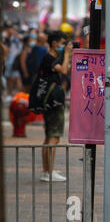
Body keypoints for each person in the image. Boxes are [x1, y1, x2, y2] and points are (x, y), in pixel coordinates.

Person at [38, 31, 72, 182]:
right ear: (54, 43)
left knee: (48, 137)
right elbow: (64, 70)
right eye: (62, 43)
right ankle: (49, 172)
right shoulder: (50, 58)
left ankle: (46, 171)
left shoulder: (50, 58)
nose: (63, 46)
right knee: (54, 138)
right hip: (53, 102)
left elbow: (65, 68)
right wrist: (66, 53)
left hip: (49, 100)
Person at [3, 20, 23, 101]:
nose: (10, 30)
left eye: (11, 29)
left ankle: (19, 96)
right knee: (9, 80)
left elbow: (18, 49)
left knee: (17, 78)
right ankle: (10, 95)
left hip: (15, 63)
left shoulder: (17, 38)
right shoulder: (5, 39)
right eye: (8, 29)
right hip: (8, 63)